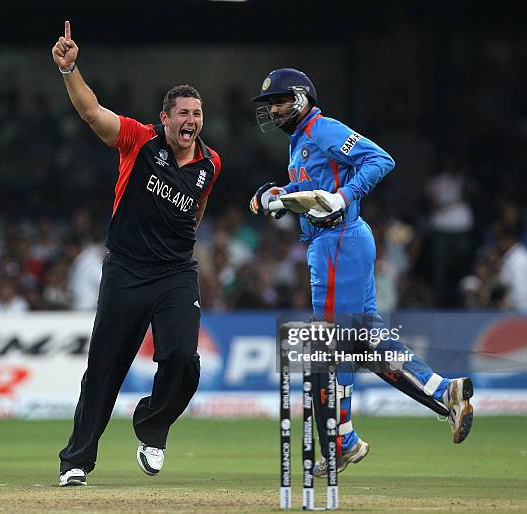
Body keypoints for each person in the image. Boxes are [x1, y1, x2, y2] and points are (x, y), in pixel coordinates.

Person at [249, 68, 473, 475]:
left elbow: (379, 159)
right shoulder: (301, 141)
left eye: (280, 101)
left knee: (337, 343)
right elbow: (313, 188)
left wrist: (343, 196)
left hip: (339, 242)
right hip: (334, 242)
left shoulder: (323, 129)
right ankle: (445, 390)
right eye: (270, 105)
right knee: (364, 337)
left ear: (301, 99)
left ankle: (344, 440)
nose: (274, 110)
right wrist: (281, 197)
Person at [52, 21, 221, 486]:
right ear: (164, 118)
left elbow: (197, 210)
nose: (191, 121)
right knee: (103, 370)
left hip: (175, 274)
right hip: (126, 270)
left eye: (198, 114)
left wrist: (177, 246)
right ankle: (76, 463)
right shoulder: (138, 139)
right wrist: (70, 70)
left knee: (184, 360)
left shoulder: (211, 163)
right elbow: (92, 113)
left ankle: (152, 425)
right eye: (183, 113)